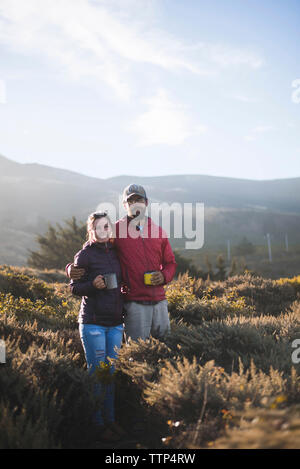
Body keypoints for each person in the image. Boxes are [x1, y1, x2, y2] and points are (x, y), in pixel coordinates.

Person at [67, 183, 177, 342]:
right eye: (131, 201)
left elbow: (170, 263)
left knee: (166, 347)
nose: (135, 204)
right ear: (125, 205)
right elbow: (92, 247)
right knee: (137, 352)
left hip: (160, 302)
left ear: (146, 203)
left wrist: (164, 275)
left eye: (139, 200)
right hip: (134, 303)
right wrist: (70, 268)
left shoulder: (158, 231)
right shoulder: (116, 229)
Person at [70, 211, 125, 443]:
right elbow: (74, 288)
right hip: (92, 322)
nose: (105, 230)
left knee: (110, 374)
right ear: (91, 230)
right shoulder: (85, 255)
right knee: (97, 373)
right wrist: (92, 285)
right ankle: (98, 424)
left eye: (107, 227)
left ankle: (110, 420)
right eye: (100, 227)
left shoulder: (114, 251)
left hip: (115, 324)